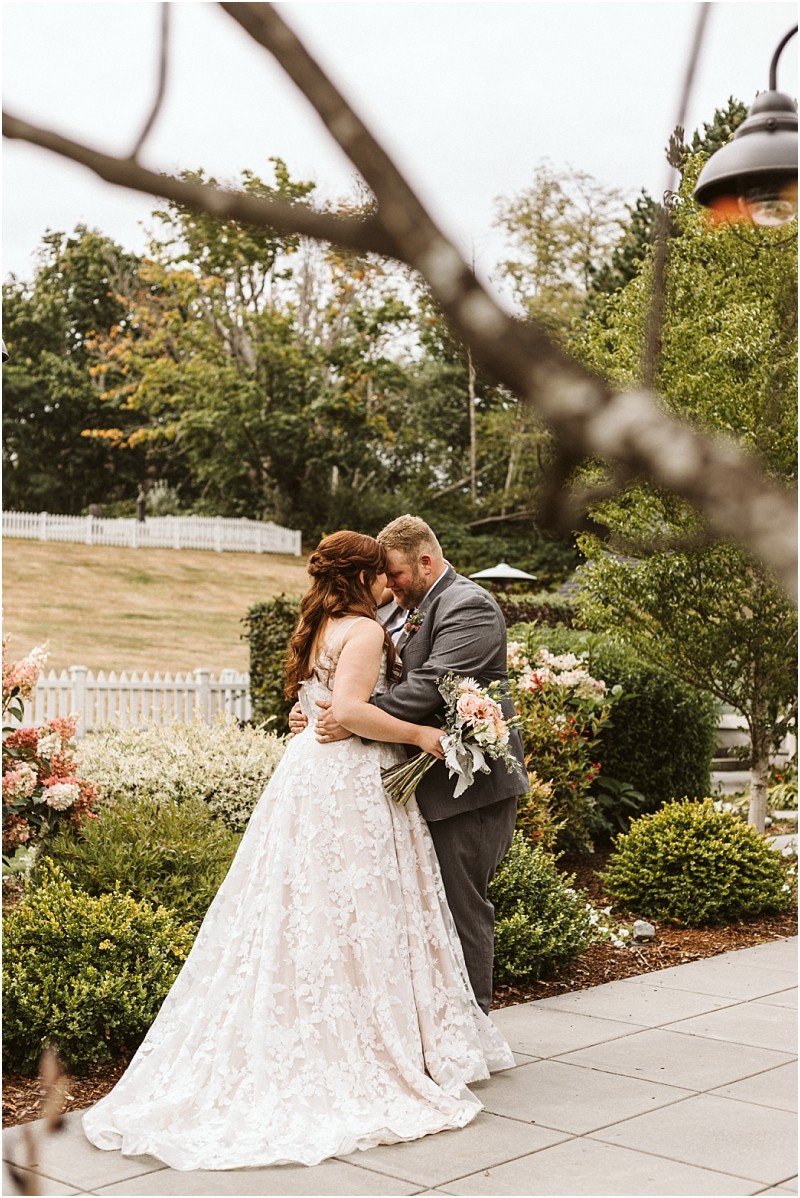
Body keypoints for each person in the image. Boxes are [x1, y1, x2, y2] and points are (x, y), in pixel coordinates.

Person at [82, 531, 514, 1172]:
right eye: (382, 574)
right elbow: (357, 707)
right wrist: (412, 732)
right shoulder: (363, 629)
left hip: (316, 773)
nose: (389, 584)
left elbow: (340, 699)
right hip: (348, 777)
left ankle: (364, 1026)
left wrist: (324, 715)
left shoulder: (326, 626)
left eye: (394, 573)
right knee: (360, 906)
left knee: (315, 906)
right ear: (364, 576)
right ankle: (369, 1040)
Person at [293, 515, 528, 1014]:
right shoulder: (399, 608)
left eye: (395, 573)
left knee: (460, 909)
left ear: (425, 562)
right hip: (412, 784)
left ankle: (472, 1024)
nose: (388, 583)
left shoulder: (467, 606)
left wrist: (351, 716)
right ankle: (430, 1026)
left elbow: (430, 686)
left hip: (463, 788)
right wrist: (319, 708)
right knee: (421, 915)